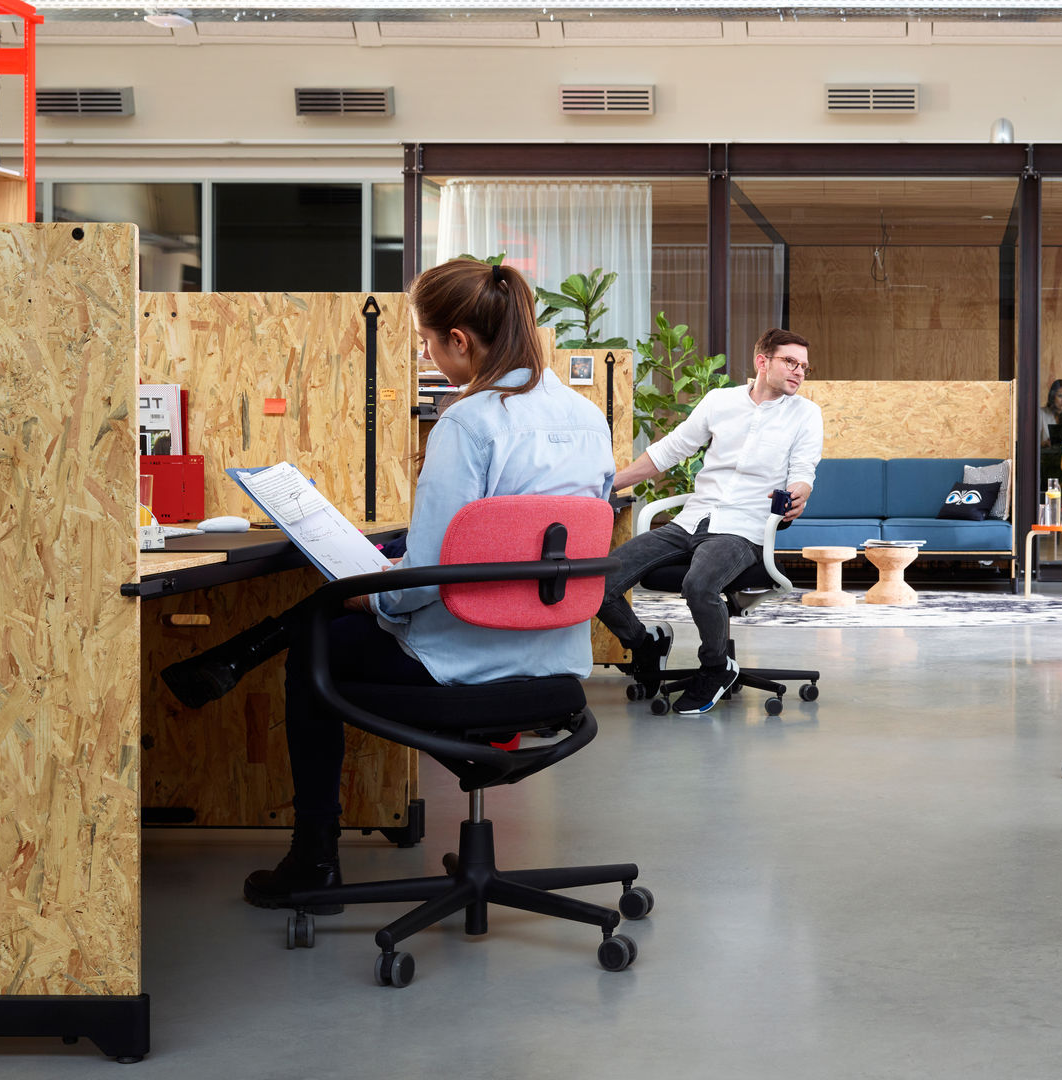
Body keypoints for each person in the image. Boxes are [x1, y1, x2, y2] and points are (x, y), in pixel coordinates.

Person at [162, 258, 617, 908]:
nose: (427, 356)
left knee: (318, 645)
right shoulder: (587, 417)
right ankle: (238, 658)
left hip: (467, 659)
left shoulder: (468, 422)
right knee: (350, 600)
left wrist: (368, 591)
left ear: (458, 339)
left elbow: (419, 586)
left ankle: (314, 858)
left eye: (427, 342)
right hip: (553, 655)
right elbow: (516, 546)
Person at [597, 328, 823, 715]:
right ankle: (644, 644)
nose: (799, 371)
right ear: (762, 361)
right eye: (790, 361)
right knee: (598, 583)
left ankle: (717, 668)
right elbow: (670, 450)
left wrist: (799, 492)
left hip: (743, 529)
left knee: (699, 584)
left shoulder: (805, 414)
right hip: (691, 520)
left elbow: (803, 471)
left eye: (804, 366)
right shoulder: (720, 401)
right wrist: (606, 485)